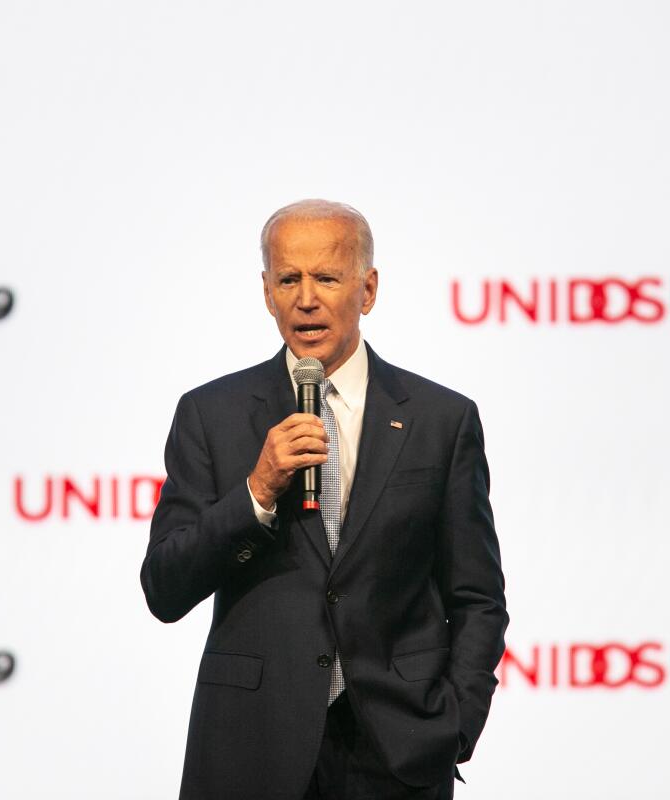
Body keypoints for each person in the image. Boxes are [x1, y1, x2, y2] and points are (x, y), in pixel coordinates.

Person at [141, 199, 508, 800]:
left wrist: (455, 724)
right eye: (288, 279)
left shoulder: (442, 420)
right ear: (266, 292)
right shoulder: (212, 415)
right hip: (251, 750)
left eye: (327, 278)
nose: (305, 298)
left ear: (367, 290)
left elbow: (477, 596)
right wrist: (257, 492)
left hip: (398, 752)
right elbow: (164, 587)